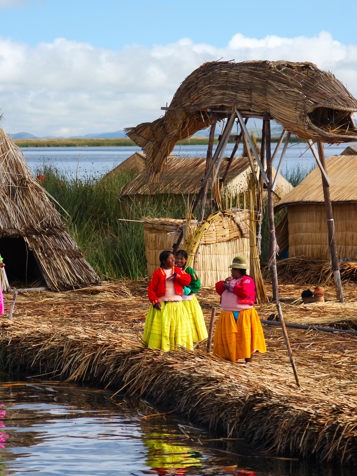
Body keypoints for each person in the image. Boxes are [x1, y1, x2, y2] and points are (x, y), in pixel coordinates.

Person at [213, 256, 266, 363]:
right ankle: (231, 356)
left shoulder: (247, 280)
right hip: (228, 314)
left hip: (244, 313)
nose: (232, 272)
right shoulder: (231, 280)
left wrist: (231, 287)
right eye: (232, 269)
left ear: (240, 270)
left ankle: (248, 359)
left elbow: (245, 292)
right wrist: (225, 283)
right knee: (231, 336)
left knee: (245, 336)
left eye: (234, 270)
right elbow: (218, 288)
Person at [143, 250, 194, 352]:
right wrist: (155, 301)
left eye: (173, 258)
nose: (173, 260)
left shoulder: (177, 271)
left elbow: (188, 280)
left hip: (177, 305)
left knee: (177, 327)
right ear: (163, 261)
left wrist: (177, 276)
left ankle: (177, 348)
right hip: (163, 305)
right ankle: (162, 347)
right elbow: (151, 289)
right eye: (170, 259)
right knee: (164, 327)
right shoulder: (158, 273)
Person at [174, 249, 208, 344]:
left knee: (189, 318)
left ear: (186, 260)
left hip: (187, 300)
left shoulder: (189, 270)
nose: (179, 261)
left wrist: (188, 291)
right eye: (177, 258)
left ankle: (190, 337)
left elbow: (196, 283)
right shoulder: (172, 269)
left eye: (181, 259)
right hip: (176, 299)